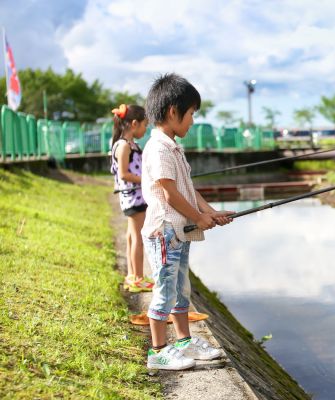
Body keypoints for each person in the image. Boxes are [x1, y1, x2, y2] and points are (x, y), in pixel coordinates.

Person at [141, 73, 234, 370]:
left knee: (181, 289)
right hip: (164, 231)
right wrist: (199, 216)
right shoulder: (158, 149)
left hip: (179, 230)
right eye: (191, 113)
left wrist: (211, 212)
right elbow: (169, 194)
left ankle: (183, 341)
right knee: (166, 288)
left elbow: (187, 190)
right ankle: (158, 351)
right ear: (173, 111)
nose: (193, 121)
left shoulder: (172, 148)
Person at [110, 104, 153, 293]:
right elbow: (124, 174)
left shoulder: (130, 145)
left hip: (135, 197)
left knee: (131, 236)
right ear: (134, 124)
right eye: (145, 125)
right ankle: (138, 278)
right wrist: (147, 179)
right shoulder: (124, 146)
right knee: (138, 238)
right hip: (134, 198)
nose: (145, 130)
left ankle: (132, 275)